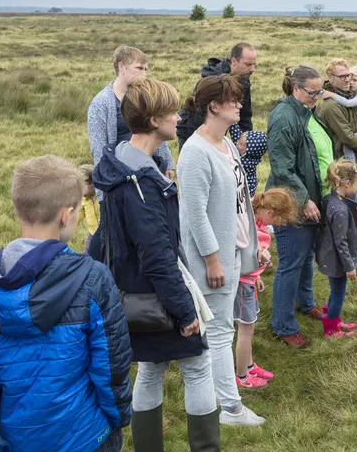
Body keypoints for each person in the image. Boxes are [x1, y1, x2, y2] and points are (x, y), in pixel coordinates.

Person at [0, 155, 132, 452]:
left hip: (16, 437)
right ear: (66, 216)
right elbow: (111, 365)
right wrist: (118, 417)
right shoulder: (93, 278)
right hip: (86, 437)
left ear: (18, 208)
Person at [92, 76, 220, 449]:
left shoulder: (119, 164)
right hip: (155, 294)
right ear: (153, 121)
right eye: (171, 111)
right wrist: (184, 311)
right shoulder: (139, 182)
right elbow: (156, 254)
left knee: (150, 369)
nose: (179, 116)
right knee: (197, 367)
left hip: (133, 293)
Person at [177, 74, 265, 427]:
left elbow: (240, 202)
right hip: (212, 261)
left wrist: (254, 245)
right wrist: (213, 259)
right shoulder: (195, 152)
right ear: (214, 106)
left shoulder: (227, 144)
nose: (240, 105)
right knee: (218, 332)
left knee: (221, 329)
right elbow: (194, 213)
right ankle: (230, 408)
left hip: (234, 252)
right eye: (233, 100)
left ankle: (219, 398)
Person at [86, 45, 175, 260]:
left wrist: (168, 162)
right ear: (121, 67)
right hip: (120, 180)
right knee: (109, 235)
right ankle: (94, 268)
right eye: (139, 68)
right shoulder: (101, 104)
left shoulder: (144, 97)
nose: (145, 73)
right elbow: (99, 152)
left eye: (147, 68)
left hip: (150, 172)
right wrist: (102, 196)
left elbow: (155, 129)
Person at [266, 65, 332, 348]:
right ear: (295, 89)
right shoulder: (283, 117)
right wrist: (304, 200)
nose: (316, 97)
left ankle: (306, 303)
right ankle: (283, 325)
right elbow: (282, 167)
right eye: (311, 92)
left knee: (305, 257)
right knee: (291, 263)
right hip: (290, 204)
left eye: (319, 92)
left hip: (307, 200)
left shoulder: (304, 111)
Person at [233, 188, 299, 388]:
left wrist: (257, 275)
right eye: (278, 220)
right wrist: (260, 257)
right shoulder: (250, 227)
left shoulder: (255, 222)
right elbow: (246, 251)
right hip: (242, 284)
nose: (276, 224)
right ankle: (242, 376)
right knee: (246, 329)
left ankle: (250, 365)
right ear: (270, 213)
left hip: (249, 281)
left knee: (249, 327)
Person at [177, 43, 258, 152]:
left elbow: (245, 116)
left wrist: (246, 142)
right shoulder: (212, 82)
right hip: (192, 132)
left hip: (217, 135)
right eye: (248, 64)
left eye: (254, 65)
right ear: (233, 61)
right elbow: (197, 116)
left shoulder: (243, 80)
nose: (252, 69)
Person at [316, 160, 357, 338]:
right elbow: (341, 242)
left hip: (331, 257)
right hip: (337, 261)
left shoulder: (331, 199)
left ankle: (334, 320)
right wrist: (350, 267)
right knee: (338, 293)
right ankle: (331, 330)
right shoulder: (340, 210)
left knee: (335, 290)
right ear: (347, 183)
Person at [315, 58, 357, 172]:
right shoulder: (331, 106)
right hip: (341, 167)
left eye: (349, 75)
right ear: (331, 78)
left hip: (352, 163)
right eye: (343, 76)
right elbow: (347, 137)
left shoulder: (348, 97)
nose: (348, 79)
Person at [233, 130, 268, 198]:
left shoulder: (246, 163)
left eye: (241, 143)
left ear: (249, 150)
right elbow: (236, 136)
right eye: (239, 140)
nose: (237, 143)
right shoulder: (249, 155)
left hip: (245, 195)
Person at [78, 164, 100, 253]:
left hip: (106, 234)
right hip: (92, 233)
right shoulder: (83, 200)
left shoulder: (101, 197)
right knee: (87, 255)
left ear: (93, 183)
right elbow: (80, 216)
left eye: (83, 186)